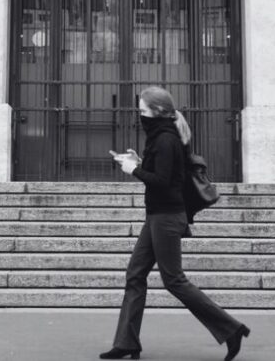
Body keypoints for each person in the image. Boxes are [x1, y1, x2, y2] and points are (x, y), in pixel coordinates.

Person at [99, 86, 250, 361]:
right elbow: (164, 173)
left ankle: (231, 329)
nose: (140, 115)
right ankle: (127, 342)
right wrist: (138, 161)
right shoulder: (161, 137)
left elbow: (164, 182)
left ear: (157, 111)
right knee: (135, 274)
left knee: (174, 280)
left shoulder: (166, 139)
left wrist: (135, 170)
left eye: (143, 111)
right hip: (157, 216)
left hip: (166, 217)